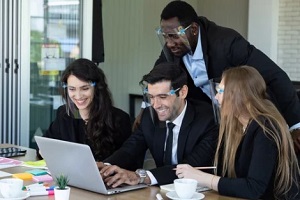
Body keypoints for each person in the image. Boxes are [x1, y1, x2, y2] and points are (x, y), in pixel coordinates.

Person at [134, 0, 300, 155]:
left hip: (243, 113)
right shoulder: (173, 47)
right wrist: (144, 110)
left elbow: (274, 75)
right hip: (208, 116)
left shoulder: (227, 42)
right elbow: (157, 75)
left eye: (174, 36)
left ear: (193, 29)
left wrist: (295, 125)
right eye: (165, 36)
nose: (169, 43)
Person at [175, 66, 300, 200]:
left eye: (221, 91)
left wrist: (201, 177)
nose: (216, 97)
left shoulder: (266, 128)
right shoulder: (236, 126)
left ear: (240, 94)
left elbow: (253, 188)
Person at [98, 62, 218, 187]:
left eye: (162, 96)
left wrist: (140, 177)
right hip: (163, 191)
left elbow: (190, 166)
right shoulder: (149, 117)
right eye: (151, 97)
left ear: (182, 92)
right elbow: (129, 150)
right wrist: (105, 168)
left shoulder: (208, 120)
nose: (155, 105)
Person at [42, 58, 132, 161]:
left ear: (97, 88)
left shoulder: (119, 119)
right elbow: (45, 143)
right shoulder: (64, 113)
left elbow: (127, 161)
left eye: (85, 88)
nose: (78, 96)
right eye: (72, 89)